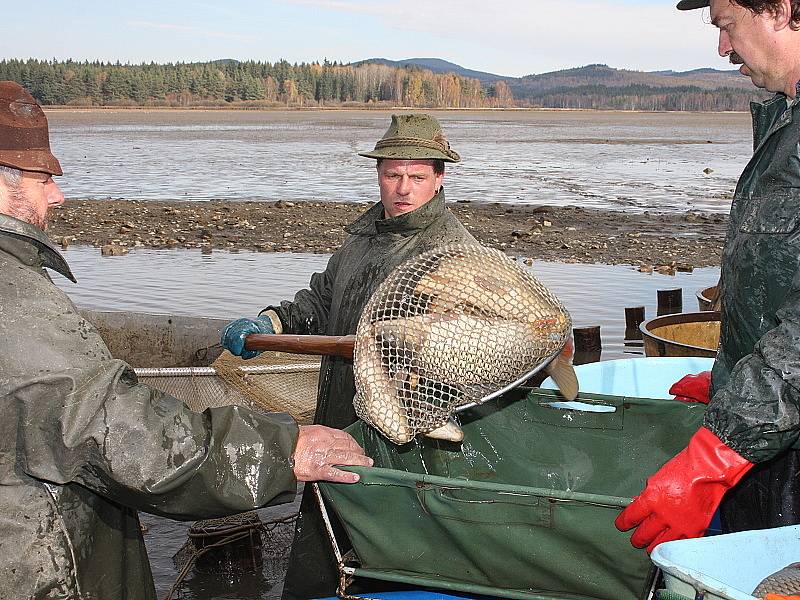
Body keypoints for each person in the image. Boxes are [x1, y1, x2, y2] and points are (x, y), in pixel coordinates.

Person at [0, 80, 373, 600]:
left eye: (413, 174)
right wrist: (277, 444)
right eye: (44, 178)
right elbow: (113, 431)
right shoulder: (12, 294)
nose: (58, 194)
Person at [221, 113, 475, 599]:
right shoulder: (363, 237)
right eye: (392, 174)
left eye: (417, 176)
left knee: (388, 548)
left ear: (440, 177)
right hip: (337, 413)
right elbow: (319, 299)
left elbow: (456, 347)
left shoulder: (450, 249)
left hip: (401, 432)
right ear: (378, 173)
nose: (403, 187)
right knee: (321, 537)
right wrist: (269, 323)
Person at [616, 0, 800, 553]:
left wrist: (718, 452)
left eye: (726, 25)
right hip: (771, 440)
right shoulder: (785, 122)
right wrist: (730, 378)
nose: (722, 49)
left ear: (783, 9)